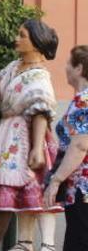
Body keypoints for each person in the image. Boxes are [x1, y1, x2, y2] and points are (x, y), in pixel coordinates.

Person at [0, 19, 59, 251]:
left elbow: (41, 109)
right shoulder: (13, 67)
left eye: (22, 35)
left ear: (36, 42)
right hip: (9, 134)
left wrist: (37, 148)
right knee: (24, 192)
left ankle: (48, 244)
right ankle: (25, 242)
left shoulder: (40, 76)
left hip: (31, 135)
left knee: (39, 188)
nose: (16, 38)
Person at [44, 45, 88, 250]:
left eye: (69, 63)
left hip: (82, 188)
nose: (65, 68)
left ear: (79, 68)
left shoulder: (83, 101)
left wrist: (56, 180)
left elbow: (80, 145)